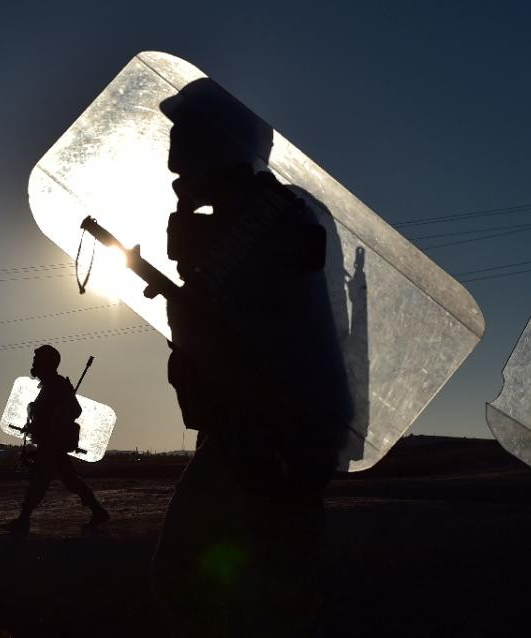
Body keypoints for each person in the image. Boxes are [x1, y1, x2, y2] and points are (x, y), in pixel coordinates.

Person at [149, 79, 352, 637]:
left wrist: (197, 256)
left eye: (184, 132)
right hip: (246, 429)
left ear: (219, 141)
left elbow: (252, 326)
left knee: (236, 596)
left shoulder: (273, 217)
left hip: (276, 435)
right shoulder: (241, 218)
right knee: (207, 591)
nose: (173, 150)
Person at [1, 344, 109, 535]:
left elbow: (75, 410)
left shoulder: (58, 385)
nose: (33, 363)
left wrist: (58, 418)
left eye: (37, 360)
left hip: (52, 444)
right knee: (70, 480)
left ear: (47, 363)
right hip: (48, 442)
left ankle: (23, 520)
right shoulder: (48, 386)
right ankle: (98, 511)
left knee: (40, 482)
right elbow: (44, 415)